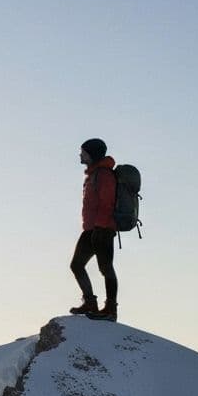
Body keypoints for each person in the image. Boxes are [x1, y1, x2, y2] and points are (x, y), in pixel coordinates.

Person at [69, 138, 118, 321]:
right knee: (77, 265)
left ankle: (110, 309)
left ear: (92, 154)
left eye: (83, 152)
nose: (81, 155)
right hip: (91, 229)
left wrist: (100, 226)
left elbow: (107, 203)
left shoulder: (104, 174)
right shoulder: (92, 175)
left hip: (102, 229)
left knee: (106, 268)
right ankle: (91, 302)